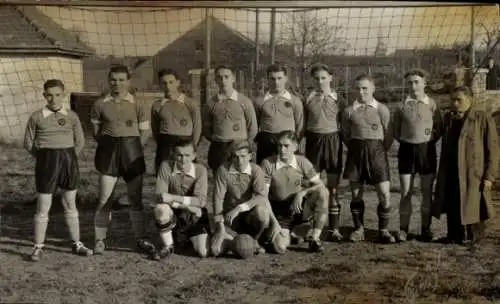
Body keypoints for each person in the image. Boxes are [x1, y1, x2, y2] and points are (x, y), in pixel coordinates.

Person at [23, 79, 93, 261]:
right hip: (46, 162)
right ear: (44, 95)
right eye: (49, 95)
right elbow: (28, 143)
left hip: (68, 161)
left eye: (57, 95)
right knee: (43, 205)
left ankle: (77, 244)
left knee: (70, 204)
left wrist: (68, 157)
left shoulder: (72, 116)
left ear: (63, 95)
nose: (53, 99)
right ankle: (38, 246)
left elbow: (80, 142)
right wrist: (44, 158)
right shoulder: (37, 116)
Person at [90, 65, 156, 256]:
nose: (117, 84)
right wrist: (108, 146)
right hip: (109, 153)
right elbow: (96, 132)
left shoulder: (138, 104)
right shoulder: (100, 104)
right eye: (113, 80)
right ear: (108, 80)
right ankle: (100, 239)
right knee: (104, 199)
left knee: (135, 199)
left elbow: (145, 131)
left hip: (132, 153)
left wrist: (134, 148)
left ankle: (140, 238)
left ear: (128, 81)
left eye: (121, 80)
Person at [432, 86, 499, 245]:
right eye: (452, 100)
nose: (455, 104)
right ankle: (454, 236)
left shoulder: (482, 118)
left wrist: (489, 176)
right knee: (453, 202)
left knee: (475, 204)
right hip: (452, 170)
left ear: (470, 100)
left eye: (459, 100)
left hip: (473, 172)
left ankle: (474, 238)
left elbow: (493, 149)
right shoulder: (449, 119)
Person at [341, 74, 395, 244]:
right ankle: (359, 229)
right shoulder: (349, 111)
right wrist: (357, 148)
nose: (361, 92)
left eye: (365, 88)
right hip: (356, 153)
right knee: (356, 195)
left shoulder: (382, 109)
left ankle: (383, 230)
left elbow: (389, 135)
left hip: (377, 153)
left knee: (385, 194)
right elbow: (345, 134)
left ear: (372, 89)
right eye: (358, 88)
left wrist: (377, 150)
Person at [211, 140, 287, 257]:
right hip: (229, 218)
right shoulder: (223, 170)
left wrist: (239, 208)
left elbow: (261, 197)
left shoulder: (256, 170)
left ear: (250, 156)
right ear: (231, 157)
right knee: (215, 250)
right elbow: (217, 199)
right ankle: (235, 241)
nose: (239, 161)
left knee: (262, 214)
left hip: (249, 215)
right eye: (235, 157)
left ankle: (255, 240)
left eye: (243, 156)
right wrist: (220, 227)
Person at [392, 68, 443, 242]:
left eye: (416, 82)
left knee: (426, 192)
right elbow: (396, 131)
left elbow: (438, 128)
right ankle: (403, 229)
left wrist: (425, 139)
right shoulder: (401, 105)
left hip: (426, 151)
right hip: (406, 151)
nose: (413, 86)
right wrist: (408, 140)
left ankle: (425, 229)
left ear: (424, 83)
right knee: (405, 192)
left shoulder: (432, 104)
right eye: (410, 83)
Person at [261, 131, 329, 253]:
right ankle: (292, 233)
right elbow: (263, 197)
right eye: (279, 145)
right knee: (280, 248)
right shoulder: (267, 163)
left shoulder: (302, 161)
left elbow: (320, 185)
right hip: (280, 212)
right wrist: (274, 223)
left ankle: (314, 238)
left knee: (323, 192)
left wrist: (302, 193)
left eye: (286, 146)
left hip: (298, 208)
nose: (282, 150)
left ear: (295, 147)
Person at [304, 63, 345, 241]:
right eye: (317, 78)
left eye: (323, 78)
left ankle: (334, 229)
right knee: (313, 187)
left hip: (333, 141)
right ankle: (312, 228)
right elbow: (304, 123)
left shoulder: (339, 99)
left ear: (330, 78)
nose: (320, 81)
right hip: (314, 141)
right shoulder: (308, 98)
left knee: (333, 188)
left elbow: (345, 123)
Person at [152, 140, 210, 260]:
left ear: (194, 155)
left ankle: (185, 236)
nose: (183, 159)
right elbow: (161, 197)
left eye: (187, 155)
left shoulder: (200, 170)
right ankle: (168, 246)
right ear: (173, 154)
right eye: (179, 155)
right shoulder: (165, 166)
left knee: (202, 252)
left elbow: (200, 202)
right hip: (175, 212)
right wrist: (186, 206)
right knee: (160, 209)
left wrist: (173, 198)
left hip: (194, 215)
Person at [202, 65, 258, 172]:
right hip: (219, 147)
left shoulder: (244, 101)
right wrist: (218, 139)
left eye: (226, 77)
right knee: (219, 179)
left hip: (239, 147)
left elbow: (253, 127)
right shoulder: (210, 103)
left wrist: (244, 145)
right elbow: (206, 129)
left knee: (239, 179)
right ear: (215, 80)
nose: (223, 80)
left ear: (233, 78)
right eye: (219, 77)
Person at [151, 69, 201, 174]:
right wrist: (162, 144)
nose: (168, 86)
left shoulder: (190, 103)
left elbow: (197, 127)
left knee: (187, 178)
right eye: (164, 83)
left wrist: (192, 147)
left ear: (178, 83)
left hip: (185, 144)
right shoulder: (157, 105)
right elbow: (155, 129)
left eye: (171, 82)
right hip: (165, 146)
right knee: (165, 176)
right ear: (160, 85)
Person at [254, 64, 304, 164]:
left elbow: (300, 125)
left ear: (286, 78)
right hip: (266, 143)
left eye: (279, 78)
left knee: (288, 174)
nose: (276, 82)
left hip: (287, 142)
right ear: (267, 79)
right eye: (272, 79)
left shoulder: (295, 100)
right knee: (265, 173)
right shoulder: (259, 101)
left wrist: (295, 142)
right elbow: (255, 124)